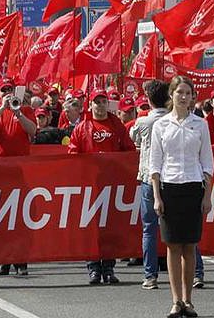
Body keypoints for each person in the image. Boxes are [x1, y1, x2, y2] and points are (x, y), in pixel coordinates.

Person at [150, 76, 214, 318]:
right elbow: (154, 163)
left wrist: (207, 196)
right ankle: (176, 301)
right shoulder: (161, 125)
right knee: (173, 246)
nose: (183, 97)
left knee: (190, 246)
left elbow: (207, 163)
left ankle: (188, 301)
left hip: (193, 189)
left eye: (187, 93)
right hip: (169, 188)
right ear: (171, 95)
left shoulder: (200, 125)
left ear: (192, 96)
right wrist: (157, 196)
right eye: (179, 92)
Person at [68, 89, 136, 285]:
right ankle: (93, 268)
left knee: (110, 227)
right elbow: (72, 154)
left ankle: (109, 267)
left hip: (112, 184)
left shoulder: (117, 126)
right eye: (96, 102)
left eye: (103, 101)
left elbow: (129, 150)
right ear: (91, 105)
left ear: (108, 104)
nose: (100, 105)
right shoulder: (81, 128)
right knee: (92, 228)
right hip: (90, 185)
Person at [0, 78, 36, 276]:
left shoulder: (25, 109)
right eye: (3, 90)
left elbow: (32, 131)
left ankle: (21, 260)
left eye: (9, 90)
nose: (7, 93)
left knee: (21, 216)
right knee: (2, 216)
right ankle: (4, 260)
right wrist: (1, 109)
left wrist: (18, 112)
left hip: (20, 170)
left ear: (15, 91)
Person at [129, 80, 170, 290]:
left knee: (149, 229)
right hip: (171, 178)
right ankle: (196, 272)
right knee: (180, 230)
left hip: (148, 177)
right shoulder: (174, 119)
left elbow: (132, 136)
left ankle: (150, 275)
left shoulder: (144, 122)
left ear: (149, 100)